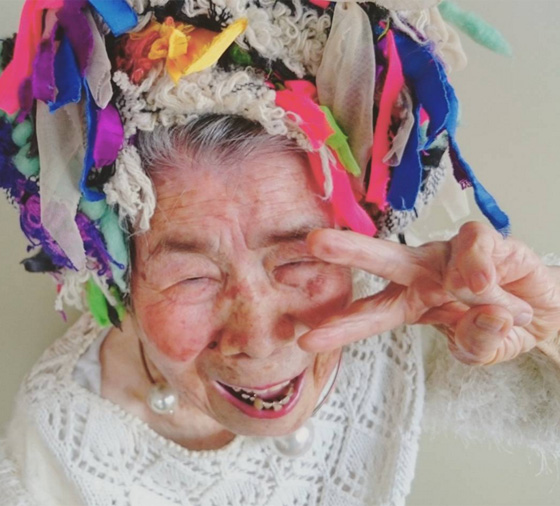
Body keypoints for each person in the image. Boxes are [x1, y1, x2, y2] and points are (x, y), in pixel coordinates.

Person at [0, 0, 559, 505]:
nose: (261, 339)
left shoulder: (400, 311)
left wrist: (549, 324)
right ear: (119, 275)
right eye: (193, 277)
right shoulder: (61, 440)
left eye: (298, 260)